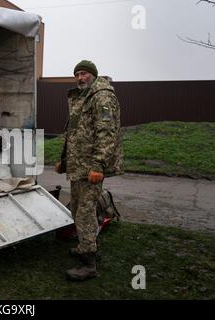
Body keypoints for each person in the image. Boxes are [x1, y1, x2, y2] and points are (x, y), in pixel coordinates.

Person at [55, 60, 123, 281]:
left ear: (93, 75)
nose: (79, 78)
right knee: (77, 209)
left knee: (84, 212)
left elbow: (107, 132)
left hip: (91, 168)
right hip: (79, 166)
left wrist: (98, 165)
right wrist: (64, 160)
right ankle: (85, 246)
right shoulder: (83, 98)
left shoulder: (102, 96)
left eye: (83, 73)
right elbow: (74, 132)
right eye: (76, 74)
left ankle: (89, 265)